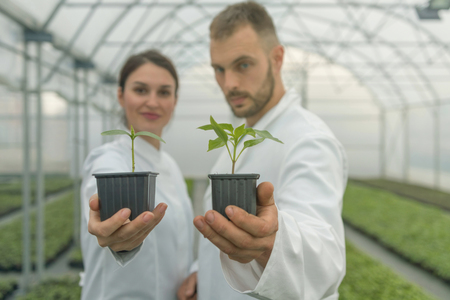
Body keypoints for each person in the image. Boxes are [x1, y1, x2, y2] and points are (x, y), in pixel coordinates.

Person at [177, 2, 348, 300]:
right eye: (219, 69)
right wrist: (202, 271)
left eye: (243, 64)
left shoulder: (308, 140)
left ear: (277, 58)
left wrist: (273, 242)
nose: (229, 84)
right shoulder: (241, 141)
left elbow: (324, 259)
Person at [80, 50, 194, 299]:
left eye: (164, 92)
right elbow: (101, 189)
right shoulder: (107, 160)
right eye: (141, 90)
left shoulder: (170, 166)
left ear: (174, 100)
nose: (152, 102)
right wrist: (113, 231)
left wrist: (193, 275)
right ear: (121, 95)